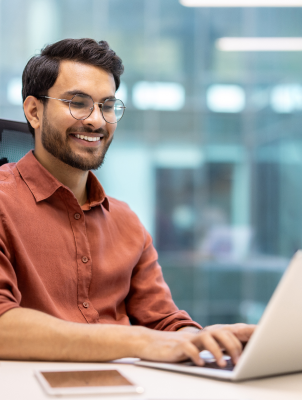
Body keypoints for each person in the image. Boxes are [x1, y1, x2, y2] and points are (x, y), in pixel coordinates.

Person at [0, 38, 255, 367]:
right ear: (34, 111)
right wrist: (141, 340)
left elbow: (163, 323)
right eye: (78, 103)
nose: (96, 121)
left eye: (107, 106)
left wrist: (205, 339)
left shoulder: (126, 221)